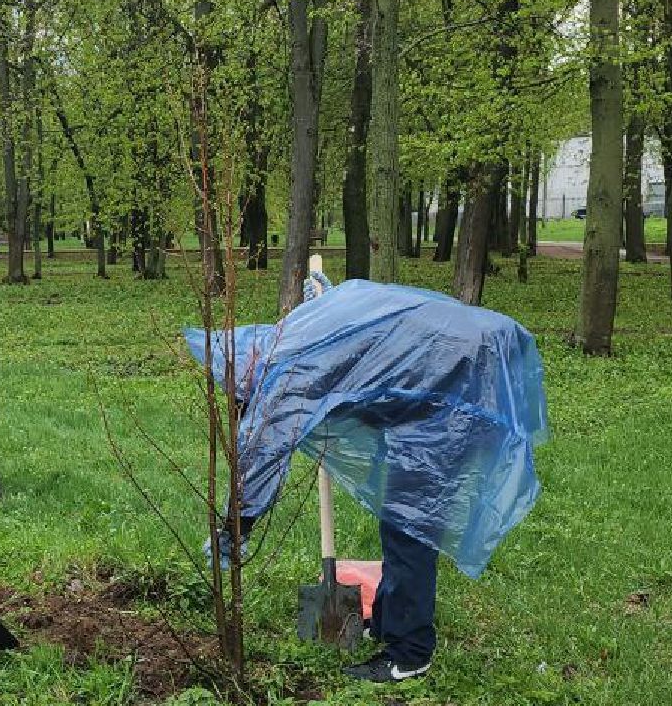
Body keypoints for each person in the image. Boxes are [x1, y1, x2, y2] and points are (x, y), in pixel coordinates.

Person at [189, 269, 550, 683]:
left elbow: (263, 455)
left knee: (409, 524)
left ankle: (410, 654)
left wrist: (235, 529)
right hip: (459, 362)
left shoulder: (283, 373)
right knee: (400, 515)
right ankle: (389, 621)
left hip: (459, 384)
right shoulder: (302, 331)